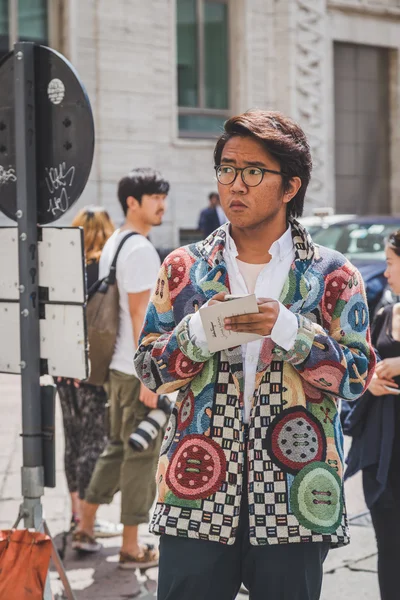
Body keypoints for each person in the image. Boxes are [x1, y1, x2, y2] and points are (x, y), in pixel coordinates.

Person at [134, 110, 376, 600]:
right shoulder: (184, 268)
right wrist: (198, 333)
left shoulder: (333, 274)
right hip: (196, 492)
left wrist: (290, 330)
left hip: (296, 495)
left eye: (252, 171)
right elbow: (150, 370)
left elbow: (356, 377)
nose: (234, 185)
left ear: (290, 186)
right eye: (226, 168)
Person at [72, 168, 169, 569]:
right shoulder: (141, 250)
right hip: (135, 372)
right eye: (154, 197)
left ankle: (86, 526)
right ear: (132, 202)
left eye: (163, 197)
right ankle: (131, 548)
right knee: (141, 457)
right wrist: (153, 377)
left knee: (116, 449)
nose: (162, 204)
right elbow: (141, 316)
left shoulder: (116, 241)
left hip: (115, 366)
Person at [56, 206, 120, 537]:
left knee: (73, 441)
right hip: (92, 368)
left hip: (63, 367)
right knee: (94, 442)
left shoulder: (64, 267)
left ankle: (75, 515)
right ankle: (86, 523)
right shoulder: (105, 268)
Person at [345, 230, 400, 600]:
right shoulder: (384, 313)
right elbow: (356, 376)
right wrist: (370, 384)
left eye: (392, 262)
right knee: (390, 549)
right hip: (383, 455)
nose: (387, 272)